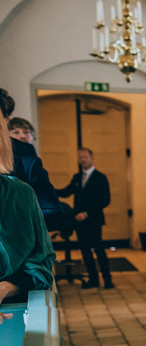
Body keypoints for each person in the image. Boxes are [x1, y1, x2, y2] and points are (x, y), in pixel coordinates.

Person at [0, 116, 54, 315]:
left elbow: (40, 266)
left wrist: (5, 287)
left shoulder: (20, 192)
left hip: (16, 307)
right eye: (16, 132)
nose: (21, 137)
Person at [0, 89, 63, 231]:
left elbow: (54, 213)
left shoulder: (25, 156)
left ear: (6, 120)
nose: (22, 135)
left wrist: (12, 222)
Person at [56, 148, 113, 289]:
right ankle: (93, 279)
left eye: (85, 157)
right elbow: (66, 192)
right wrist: (48, 190)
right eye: (80, 157)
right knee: (85, 251)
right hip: (79, 221)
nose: (83, 159)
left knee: (98, 249)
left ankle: (107, 280)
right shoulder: (77, 177)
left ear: (92, 158)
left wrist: (87, 213)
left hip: (93, 219)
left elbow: (105, 200)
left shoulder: (100, 177)